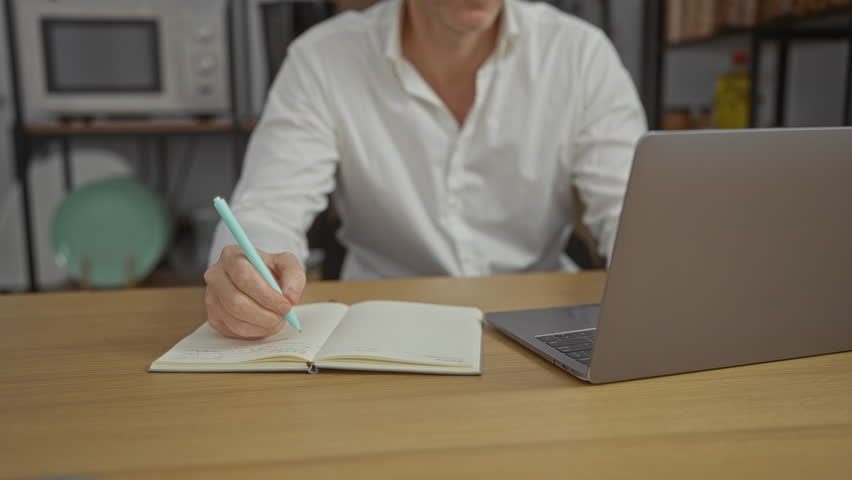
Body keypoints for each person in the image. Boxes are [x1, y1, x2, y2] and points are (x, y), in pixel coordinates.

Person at [203, 0, 646, 340]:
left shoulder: (579, 54)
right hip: (380, 331)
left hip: (541, 323)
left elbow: (635, 210)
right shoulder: (322, 59)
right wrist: (248, 274)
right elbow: (271, 206)